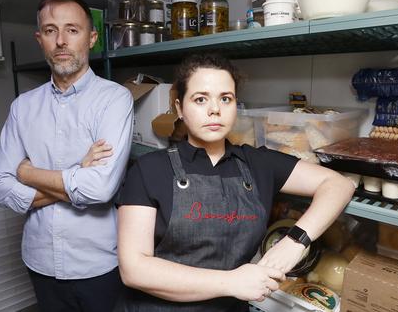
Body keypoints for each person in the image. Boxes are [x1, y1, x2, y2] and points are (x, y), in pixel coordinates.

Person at [115, 54, 355, 311]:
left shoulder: (258, 163)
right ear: (180, 109)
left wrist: (295, 242)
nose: (215, 109)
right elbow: (134, 269)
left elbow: (339, 185)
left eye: (225, 98)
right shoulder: (150, 169)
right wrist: (230, 282)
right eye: (200, 99)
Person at [0, 0, 133, 311]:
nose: (61, 41)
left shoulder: (114, 98)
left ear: (91, 37)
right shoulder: (22, 107)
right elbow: (0, 185)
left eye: (72, 29)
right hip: (39, 260)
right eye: (51, 31)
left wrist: (27, 173)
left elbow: (100, 188)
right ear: (39, 39)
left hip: (97, 263)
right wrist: (78, 172)